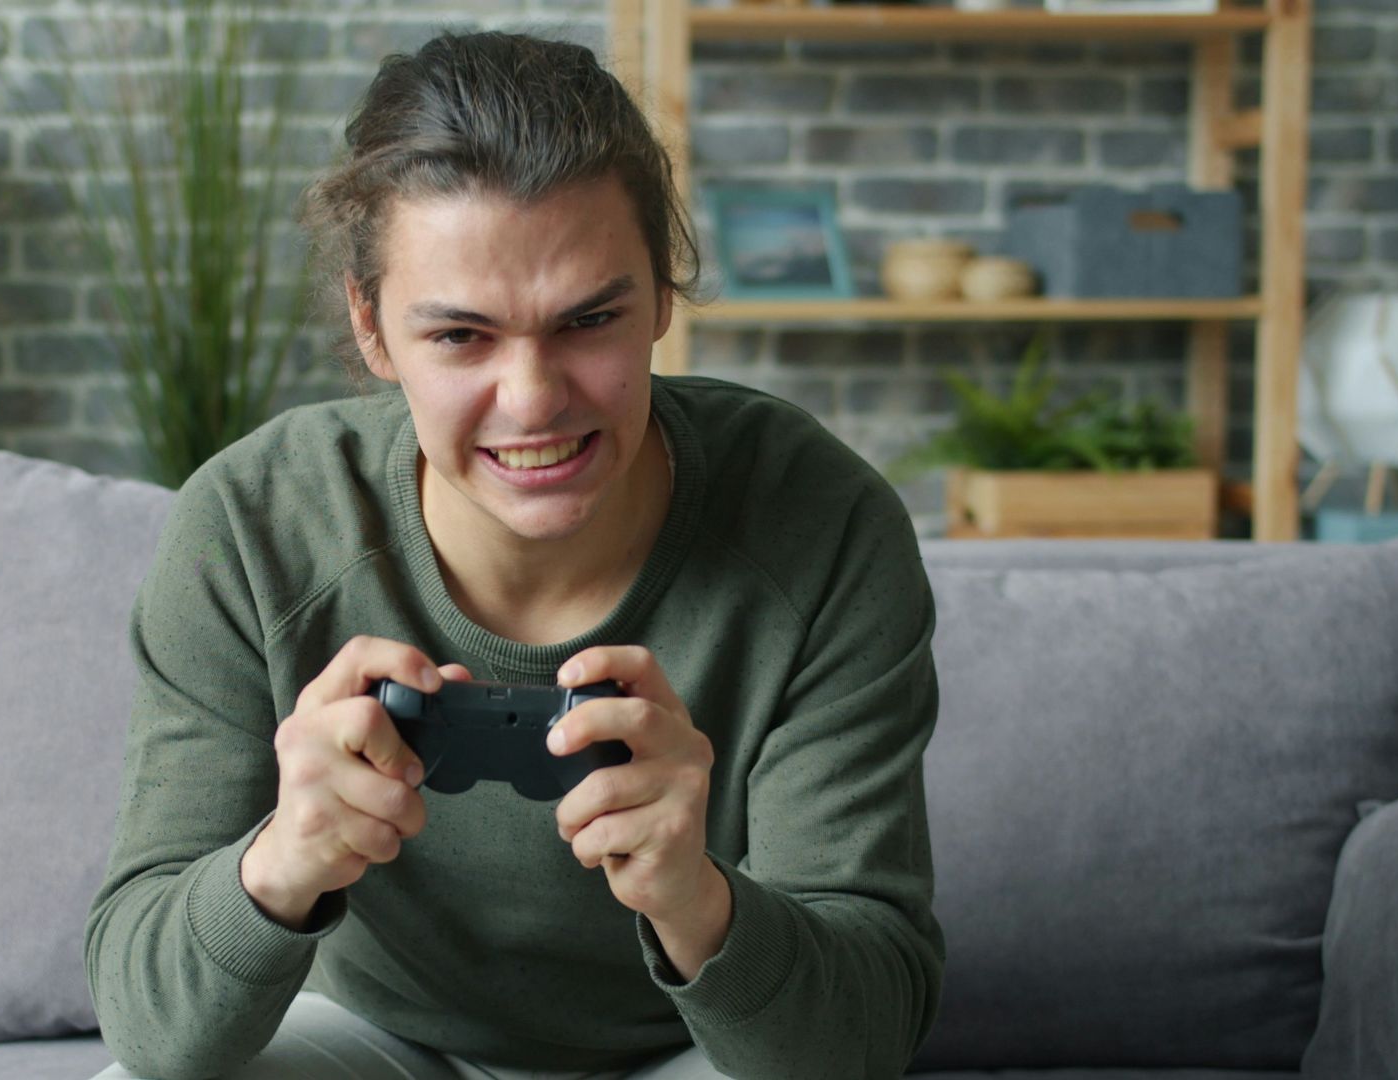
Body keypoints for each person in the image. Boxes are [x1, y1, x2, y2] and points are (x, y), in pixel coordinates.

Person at [85, 29, 944, 1080]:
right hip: (374, 1042)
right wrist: (281, 863)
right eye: (460, 337)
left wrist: (697, 897)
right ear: (372, 327)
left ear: (662, 298)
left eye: (590, 321)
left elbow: (865, 1037)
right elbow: (144, 1026)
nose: (533, 399)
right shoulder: (252, 527)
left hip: (697, 1051)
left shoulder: (823, 524)